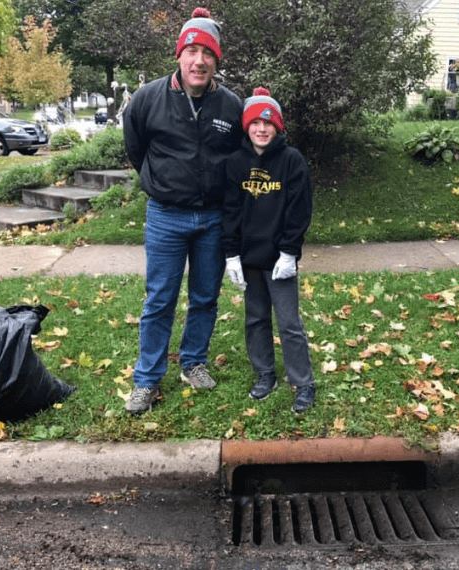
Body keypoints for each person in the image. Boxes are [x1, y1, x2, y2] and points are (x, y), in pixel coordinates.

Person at [123, 7, 243, 414]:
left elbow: (238, 158)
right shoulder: (147, 99)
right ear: (179, 55)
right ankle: (147, 380)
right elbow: (136, 151)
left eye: (207, 53)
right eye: (191, 50)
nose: (199, 60)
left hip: (212, 218)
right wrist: (162, 183)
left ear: (216, 60)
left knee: (206, 296)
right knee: (159, 300)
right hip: (166, 216)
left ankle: (193, 362)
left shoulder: (230, 105)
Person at [222, 87, 316, 413]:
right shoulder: (235, 163)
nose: (262, 130)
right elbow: (230, 212)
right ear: (246, 127)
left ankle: (303, 382)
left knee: (289, 323)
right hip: (249, 259)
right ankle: (265, 374)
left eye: (268, 123)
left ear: (277, 127)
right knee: (256, 319)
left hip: (279, 260)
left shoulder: (292, 162)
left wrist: (290, 252)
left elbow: (299, 210)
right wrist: (231, 255)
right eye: (255, 124)